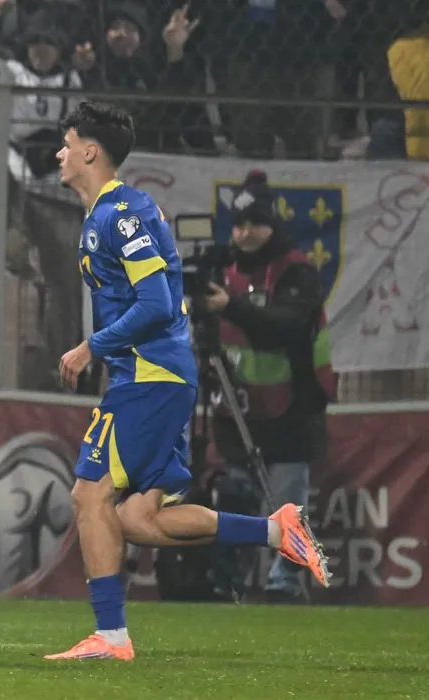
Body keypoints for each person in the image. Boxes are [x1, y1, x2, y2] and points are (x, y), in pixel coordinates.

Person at [50, 101, 330, 661]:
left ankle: (111, 636)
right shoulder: (114, 212)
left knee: (89, 494)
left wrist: (90, 346)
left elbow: (156, 303)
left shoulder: (120, 216)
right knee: (138, 519)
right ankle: (278, 532)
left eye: (68, 143)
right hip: (157, 374)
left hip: (150, 376)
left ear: (90, 151)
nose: (59, 153)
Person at [202, 171, 337, 603]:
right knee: (235, 497)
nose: (246, 233)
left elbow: (288, 327)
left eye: (256, 223)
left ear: (273, 225)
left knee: (288, 502)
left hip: (292, 408)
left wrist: (232, 307)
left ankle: (285, 583)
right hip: (238, 407)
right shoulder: (221, 271)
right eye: (239, 225)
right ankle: (227, 581)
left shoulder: (297, 271)